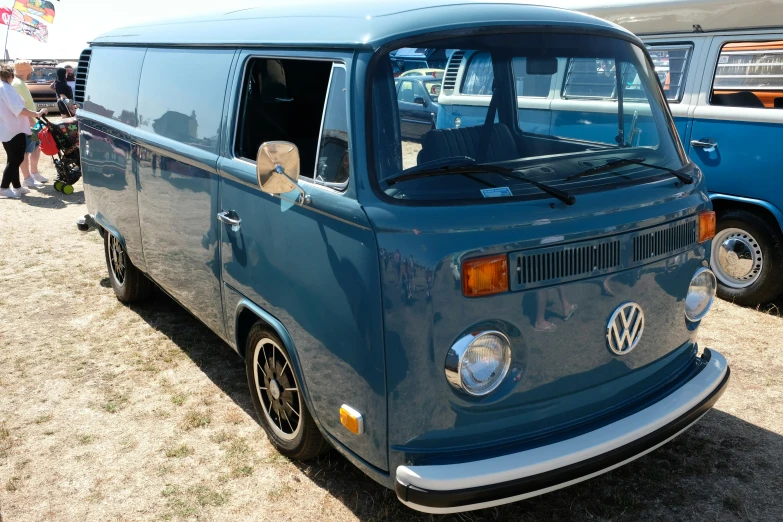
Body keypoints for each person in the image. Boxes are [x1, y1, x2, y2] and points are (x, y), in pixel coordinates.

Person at [0, 64, 47, 199]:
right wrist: (37, 114)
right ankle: (3, 187)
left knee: (12, 158)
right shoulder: (6, 88)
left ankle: (17, 187)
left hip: (7, 129)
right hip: (14, 129)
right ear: (10, 75)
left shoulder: (3, 87)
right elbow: (19, 109)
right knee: (17, 158)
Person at [12, 60, 48, 188]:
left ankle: (34, 173)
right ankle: (28, 178)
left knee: (35, 147)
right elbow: (21, 107)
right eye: (30, 71)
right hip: (28, 124)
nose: (32, 73)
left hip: (32, 123)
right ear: (26, 71)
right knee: (27, 151)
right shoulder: (18, 84)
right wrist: (33, 121)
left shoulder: (19, 83)